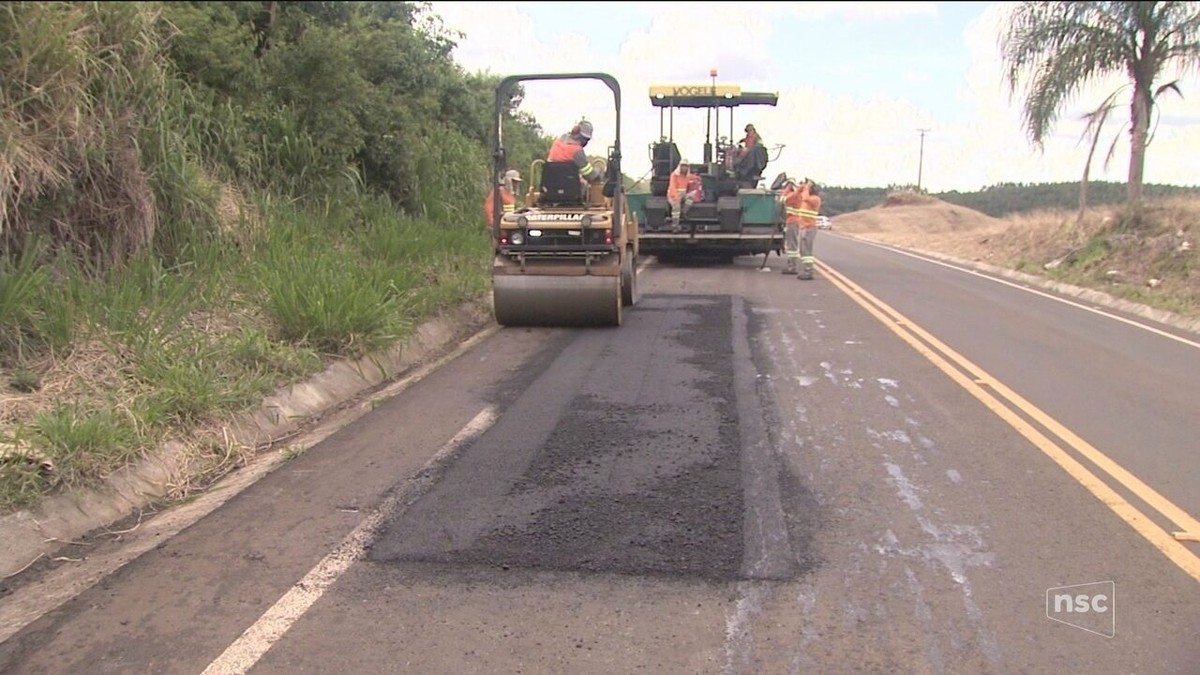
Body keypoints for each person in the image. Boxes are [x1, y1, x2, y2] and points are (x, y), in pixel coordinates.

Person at [781, 178, 822, 279]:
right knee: (803, 251)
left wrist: (806, 187)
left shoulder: (815, 199)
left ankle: (808, 272)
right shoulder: (803, 197)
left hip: (809, 227)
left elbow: (805, 198)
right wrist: (800, 188)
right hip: (804, 227)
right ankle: (805, 270)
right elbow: (783, 200)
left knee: (806, 251)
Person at [547, 119, 603, 185]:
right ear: (582, 137)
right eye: (587, 140)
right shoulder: (577, 151)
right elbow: (590, 175)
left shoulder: (557, 142)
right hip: (570, 189)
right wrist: (598, 171)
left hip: (550, 187)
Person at [666, 159, 700, 232]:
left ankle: (683, 212)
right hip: (672, 195)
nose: (684, 168)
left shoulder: (687, 176)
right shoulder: (674, 175)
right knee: (676, 207)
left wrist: (697, 178)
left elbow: (692, 177)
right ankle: (675, 227)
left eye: (686, 166)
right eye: (682, 166)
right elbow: (672, 187)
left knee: (691, 197)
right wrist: (676, 197)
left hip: (683, 194)